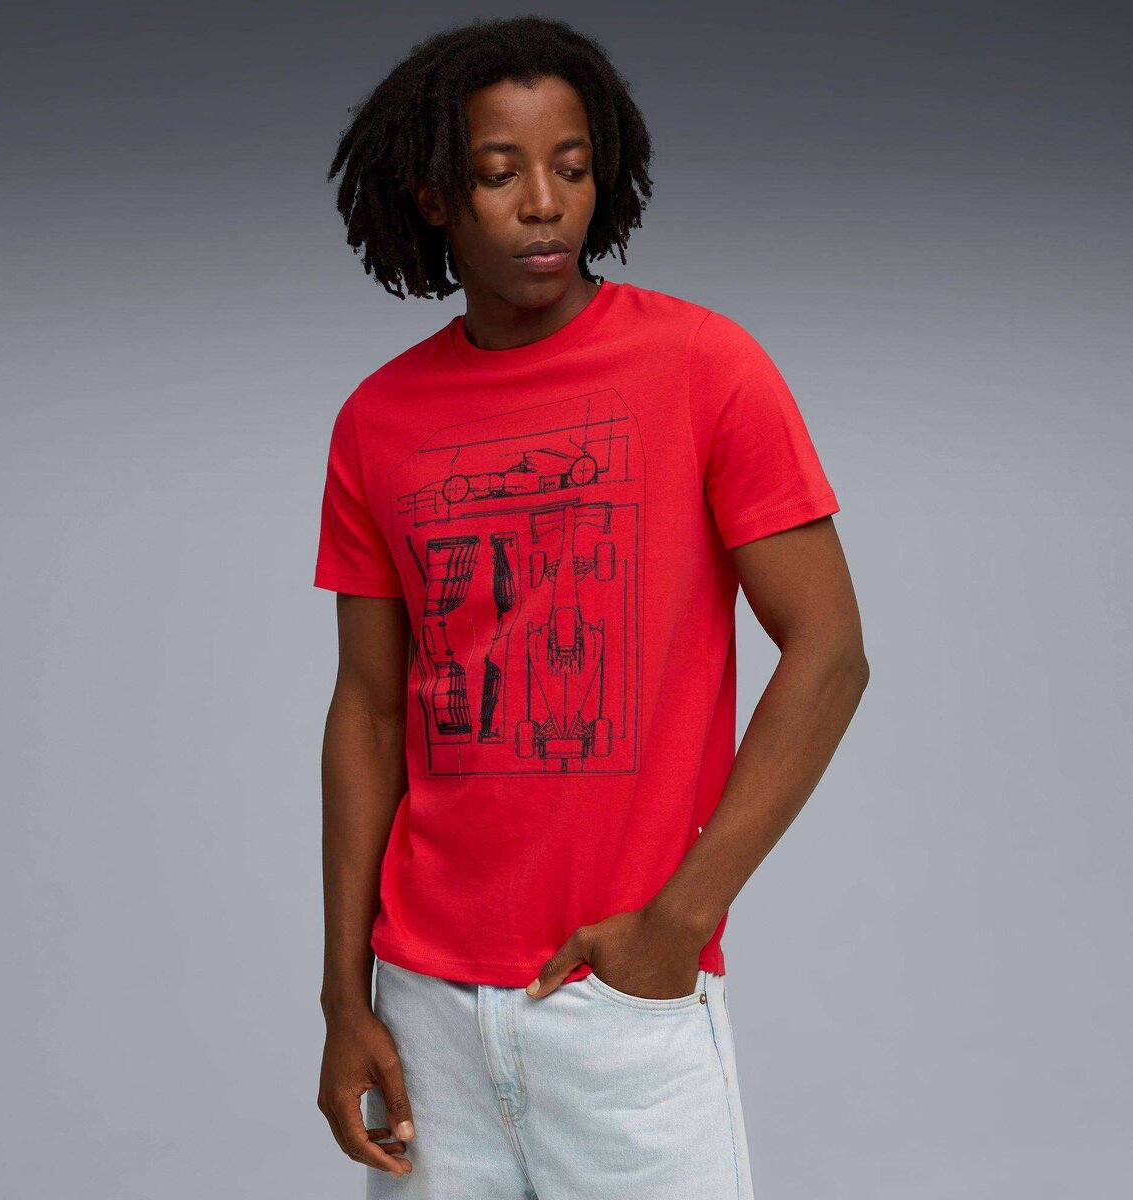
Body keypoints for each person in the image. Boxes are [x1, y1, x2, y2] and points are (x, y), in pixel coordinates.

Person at [312, 16, 868, 1199]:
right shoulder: (377, 421)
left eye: (571, 167)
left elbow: (829, 654)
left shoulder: (706, 368)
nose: (543, 203)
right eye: (498, 173)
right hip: (423, 1012)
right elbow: (367, 711)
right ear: (433, 195)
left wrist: (681, 921)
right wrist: (343, 998)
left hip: (617, 998)